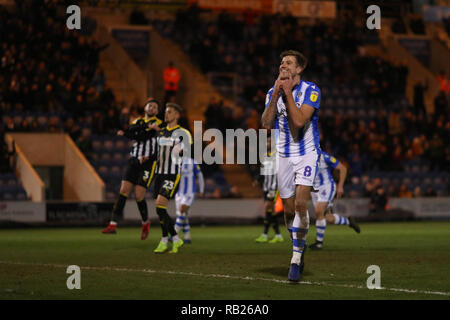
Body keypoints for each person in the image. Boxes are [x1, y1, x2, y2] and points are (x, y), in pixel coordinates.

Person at [261, 50, 321, 282]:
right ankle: (300, 243)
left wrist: (286, 92)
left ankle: (295, 259)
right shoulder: (272, 91)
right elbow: (266, 123)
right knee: (287, 211)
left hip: (306, 154)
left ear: (299, 69)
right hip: (283, 155)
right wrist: (276, 93)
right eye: (281, 62)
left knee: (299, 204)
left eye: (288, 63)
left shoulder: (311, 90)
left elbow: (298, 121)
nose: (283, 66)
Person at [102, 98, 163, 239]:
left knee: (138, 194)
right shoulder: (138, 122)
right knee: (123, 191)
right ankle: (113, 224)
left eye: (155, 107)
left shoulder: (159, 124)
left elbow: (135, 134)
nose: (152, 108)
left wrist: (131, 133)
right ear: (145, 108)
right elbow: (132, 132)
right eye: (150, 105)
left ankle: (145, 223)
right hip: (134, 160)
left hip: (149, 162)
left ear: (157, 111)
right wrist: (136, 131)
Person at [153, 103, 192, 254]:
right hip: (159, 174)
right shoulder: (161, 132)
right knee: (160, 210)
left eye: (169, 112)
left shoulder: (183, 132)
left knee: (159, 206)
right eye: (166, 112)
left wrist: (181, 150)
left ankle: (171, 238)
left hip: (172, 173)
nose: (166, 114)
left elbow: (189, 149)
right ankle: (168, 240)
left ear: (176, 115)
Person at [308, 151, 360, 250]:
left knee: (319, 211)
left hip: (326, 187)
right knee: (327, 218)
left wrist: (340, 186)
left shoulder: (324, 157)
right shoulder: (302, 157)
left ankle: (319, 243)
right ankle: (348, 221)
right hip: (314, 191)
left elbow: (343, 168)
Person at [254, 135, 284, 244]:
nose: (267, 143)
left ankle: (267, 234)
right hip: (266, 186)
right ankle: (275, 235)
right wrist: (258, 179)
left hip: (273, 187)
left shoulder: (278, 155)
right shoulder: (265, 156)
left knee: (268, 208)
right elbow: (264, 171)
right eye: (267, 141)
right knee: (269, 211)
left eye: (270, 141)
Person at [173, 156, 205, 244]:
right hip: (180, 193)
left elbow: (200, 175)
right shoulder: (176, 162)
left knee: (182, 210)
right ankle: (187, 237)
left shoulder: (192, 162)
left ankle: (173, 234)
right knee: (182, 214)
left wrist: (201, 190)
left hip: (190, 192)